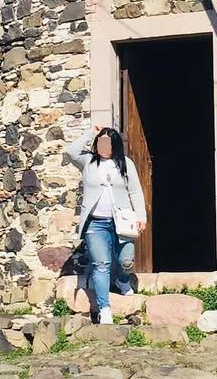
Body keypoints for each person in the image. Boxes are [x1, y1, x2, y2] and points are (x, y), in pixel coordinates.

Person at [64, 123, 147, 324]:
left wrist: (141, 217)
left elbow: (135, 192)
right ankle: (105, 308)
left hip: (122, 222)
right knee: (101, 265)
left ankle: (122, 279)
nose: (103, 147)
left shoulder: (126, 163)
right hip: (95, 224)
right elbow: (71, 151)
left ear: (115, 145)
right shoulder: (88, 162)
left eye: (107, 143)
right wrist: (90, 133)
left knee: (126, 260)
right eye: (101, 143)